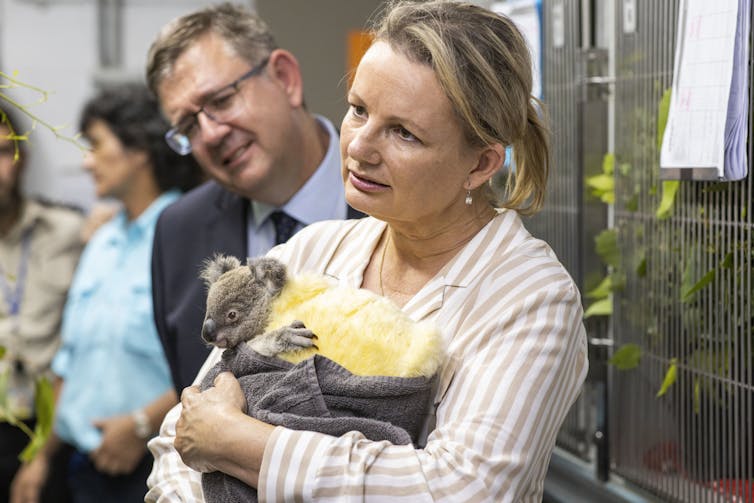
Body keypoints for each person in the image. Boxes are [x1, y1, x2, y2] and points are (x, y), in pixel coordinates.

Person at [147, 1, 589, 501]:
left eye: (404, 133)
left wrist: (244, 443)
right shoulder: (315, 250)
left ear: (481, 163)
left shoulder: (531, 297)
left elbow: (460, 488)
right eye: (359, 110)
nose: (359, 146)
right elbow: (180, 437)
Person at [145, 2, 363, 394]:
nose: (210, 134)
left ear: (285, 78)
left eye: (222, 100)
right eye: (189, 125)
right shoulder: (178, 231)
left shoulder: (396, 194)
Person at [10, 84, 203, 503]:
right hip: (82, 467)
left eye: (96, 146)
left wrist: (139, 426)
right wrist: (41, 456)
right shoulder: (101, 239)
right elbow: (69, 359)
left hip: (153, 465)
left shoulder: (186, 232)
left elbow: (211, 361)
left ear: (138, 149)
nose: (86, 162)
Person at [0, 107, 83, 503]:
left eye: (2, 152)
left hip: (48, 430)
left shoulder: (68, 231)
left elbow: (84, 346)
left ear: (21, 160)